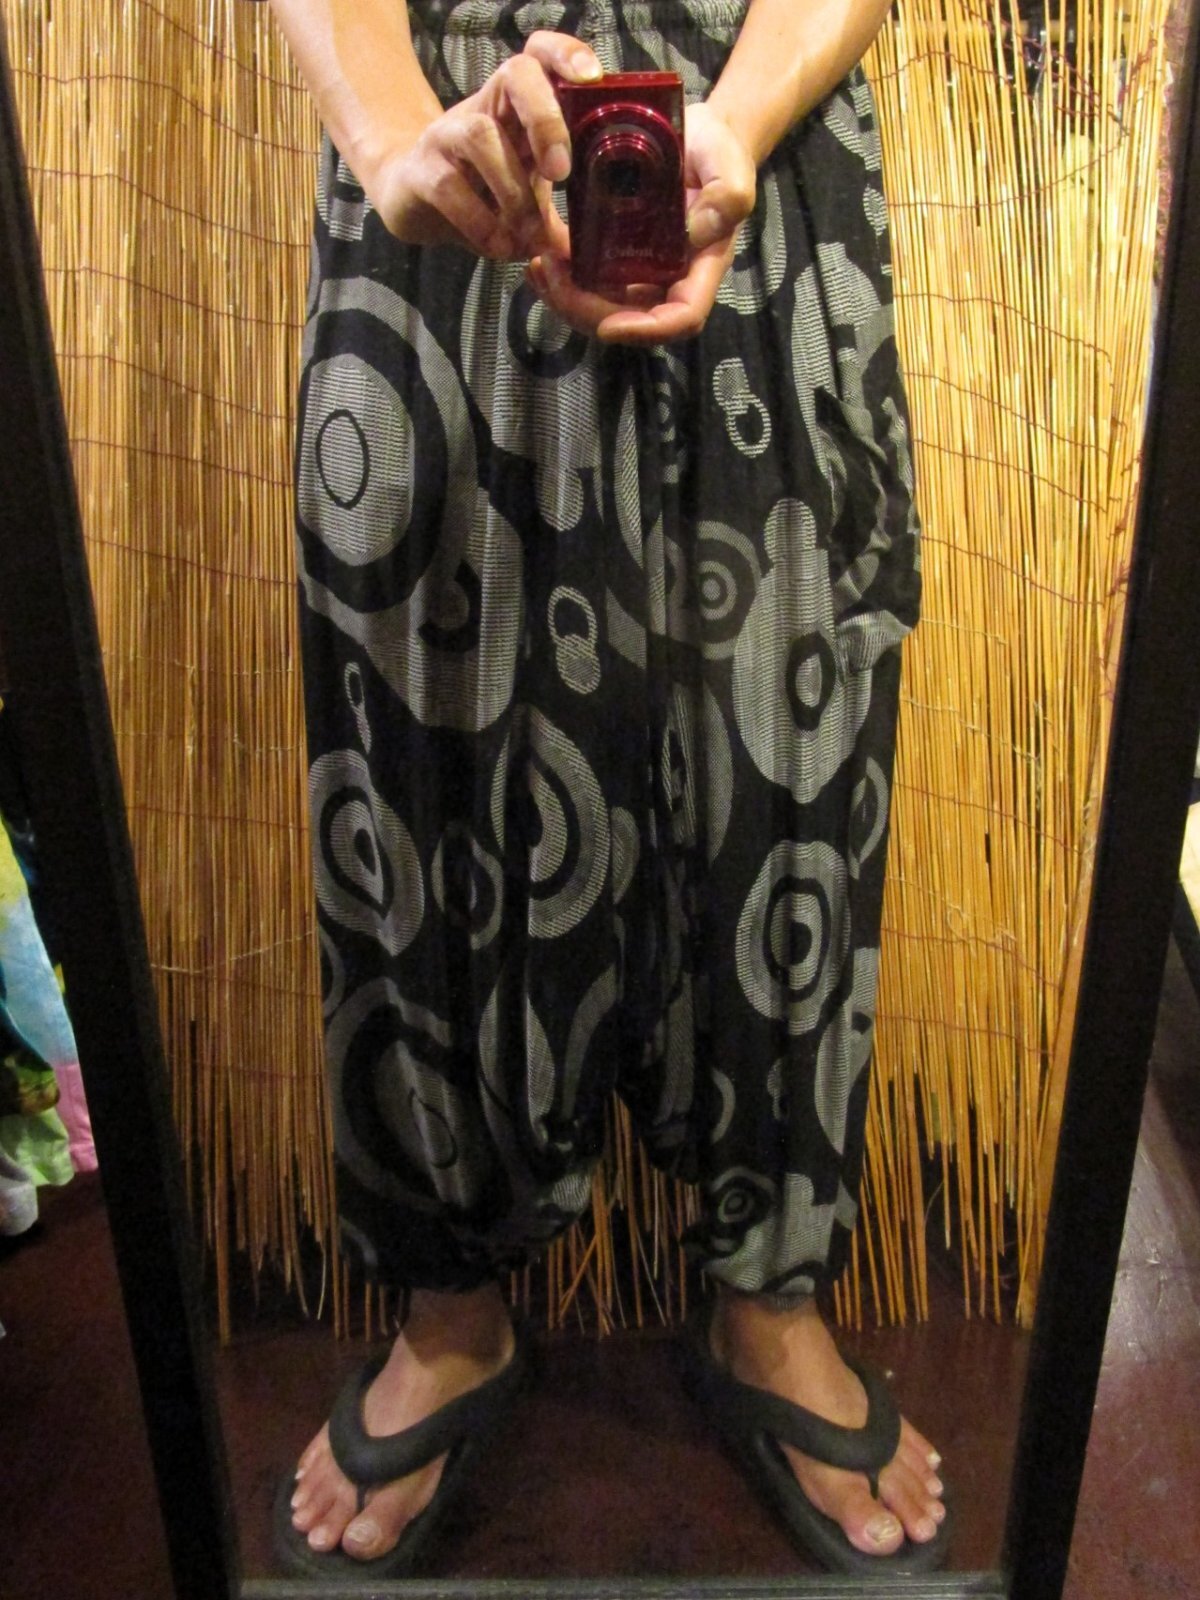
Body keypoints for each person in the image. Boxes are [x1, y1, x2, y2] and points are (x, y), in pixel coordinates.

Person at [265, 0, 947, 1578]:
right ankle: (450, 1309)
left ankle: (770, 1299)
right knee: (415, 741)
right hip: (438, 140)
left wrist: (743, 122)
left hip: (755, 141)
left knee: (791, 741)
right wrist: (392, 146)